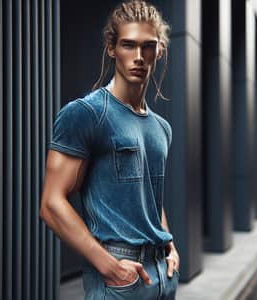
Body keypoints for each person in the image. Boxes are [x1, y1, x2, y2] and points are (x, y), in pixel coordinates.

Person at [40, 0, 180, 299]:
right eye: (128, 45)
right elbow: (51, 204)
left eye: (148, 46)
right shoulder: (86, 114)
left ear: (160, 50)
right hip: (120, 276)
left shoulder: (161, 128)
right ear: (111, 48)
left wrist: (171, 247)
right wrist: (111, 266)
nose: (139, 57)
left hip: (163, 274)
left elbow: (150, 197)